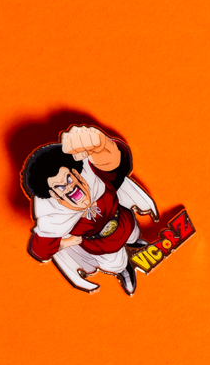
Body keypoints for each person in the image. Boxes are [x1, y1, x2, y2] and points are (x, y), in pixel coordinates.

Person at [21, 125, 157, 294]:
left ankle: (134, 242)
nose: (69, 187)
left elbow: (119, 163)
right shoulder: (55, 218)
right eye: (60, 186)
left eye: (69, 178)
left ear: (76, 173)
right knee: (117, 263)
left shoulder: (94, 176)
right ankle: (124, 271)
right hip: (102, 247)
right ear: (54, 194)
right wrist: (69, 242)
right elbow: (40, 250)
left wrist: (102, 144)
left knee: (134, 235)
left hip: (125, 221)